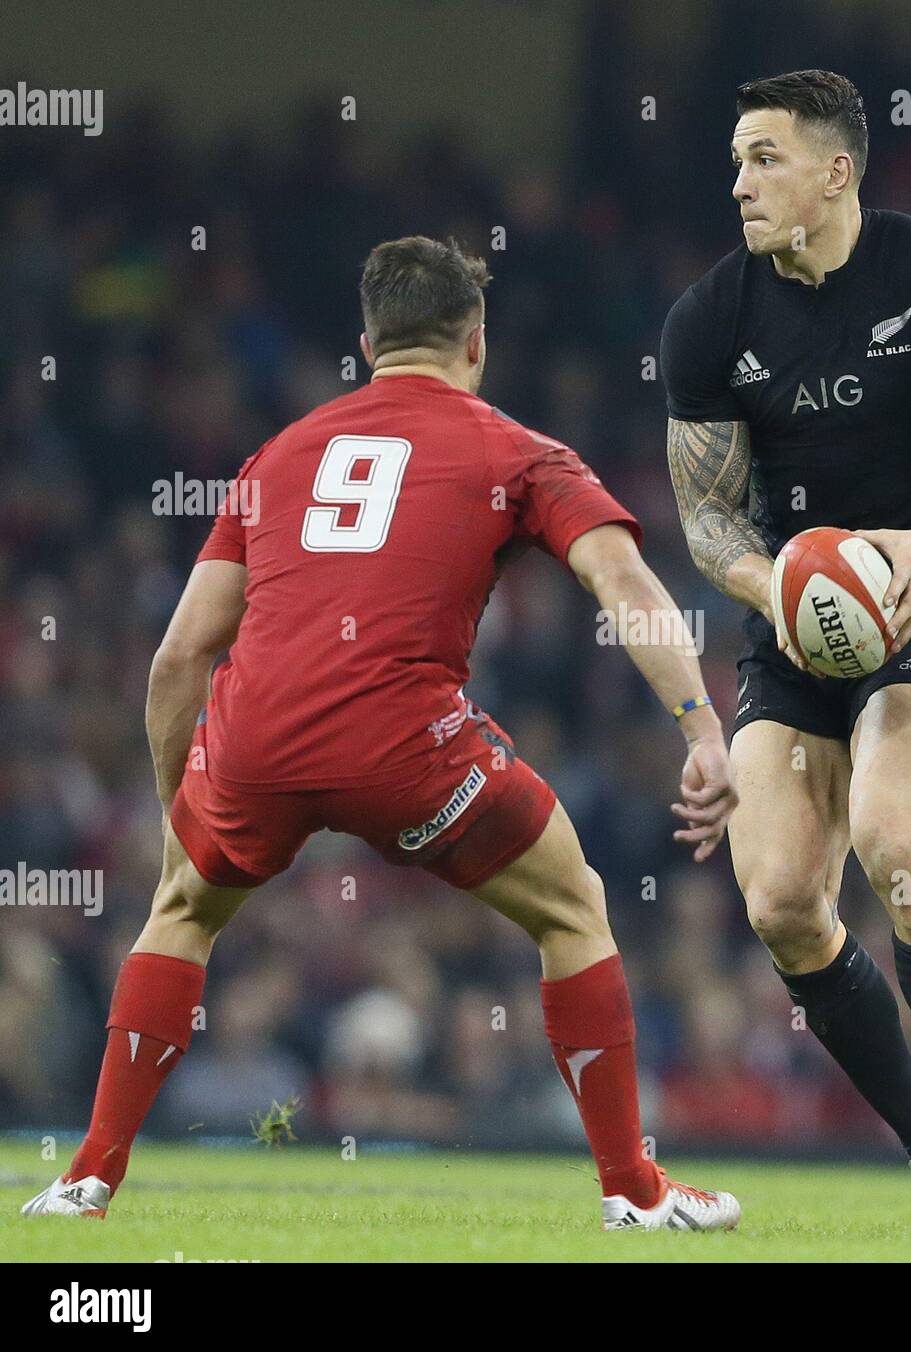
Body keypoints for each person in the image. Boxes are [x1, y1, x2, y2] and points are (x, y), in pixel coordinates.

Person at [23, 235, 740, 1233]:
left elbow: (179, 658)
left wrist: (179, 813)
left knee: (179, 911)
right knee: (573, 906)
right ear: (476, 343)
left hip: (255, 740)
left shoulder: (278, 453)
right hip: (409, 746)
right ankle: (631, 1188)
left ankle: (86, 1177)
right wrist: (701, 726)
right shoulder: (519, 451)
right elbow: (622, 583)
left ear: (366, 345)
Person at [661, 69, 911, 1234]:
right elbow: (705, 515)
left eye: (763, 158)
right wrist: (768, 584)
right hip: (794, 621)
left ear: (836, 172)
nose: (738, 183)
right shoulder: (710, 315)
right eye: (735, 160)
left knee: (893, 841)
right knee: (781, 899)